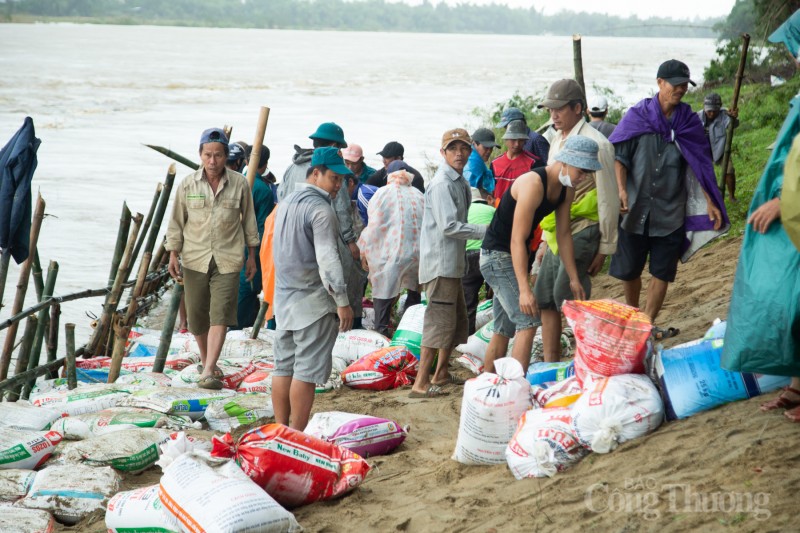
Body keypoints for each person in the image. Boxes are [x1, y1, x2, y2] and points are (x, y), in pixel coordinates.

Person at [608, 59, 727, 337]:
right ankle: (634, 314)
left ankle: (645, 324)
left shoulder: (689, 122)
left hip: (671, 212)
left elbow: (700, 164)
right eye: (676, 84)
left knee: (663, 272)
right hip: (635, 209)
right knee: (629, 270)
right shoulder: (637, 116)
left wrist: (710, 199)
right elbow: (619, 157)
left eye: (685, 84)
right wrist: (622, 189)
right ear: (660, 82)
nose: (681, 89)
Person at [481, 136, 599, 373]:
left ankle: (487, 385)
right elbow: (517, 238)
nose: (584, 176)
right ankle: (516, 388)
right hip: (497, 255)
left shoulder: (566, 189)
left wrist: (574, 277)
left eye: (588, 172)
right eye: (582, 170)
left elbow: (564, 233)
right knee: (528, 321)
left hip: (514, 257)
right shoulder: (533, 183)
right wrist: (524, 288)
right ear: (566, 162)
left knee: (503, 328)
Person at [165, 127, 259, 389]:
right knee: (196, 317)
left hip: (228, 259)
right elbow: (176, 222)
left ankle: (207, 370)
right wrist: (173, 253)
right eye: (208, 155)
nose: (213, 161)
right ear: (200, 154)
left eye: (218, 155)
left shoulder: (239, 184)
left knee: (221, 314)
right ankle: (209, 362)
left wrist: (252, 256)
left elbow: (249, 221)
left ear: (226, 155)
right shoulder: (187, 184)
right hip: (195, 258)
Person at [534, 79, 618, 362]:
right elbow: (553, 195)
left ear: (578, 108)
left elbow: (608, 197)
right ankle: (552, 364)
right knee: (544, 298)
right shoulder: (555, 139)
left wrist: (604, 247)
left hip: (584, 230)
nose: (553, 116)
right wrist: (546, 240)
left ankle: (590, 359)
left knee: (569, 297)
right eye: (550, 110)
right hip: (558, 232)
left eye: (559, 109)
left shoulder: (598, 144)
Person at [271, 147, 354, 430]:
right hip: (312, 302)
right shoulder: (320, 210)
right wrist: (342, 300)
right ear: (315, 173)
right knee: (304, 372)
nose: (338, 185)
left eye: (342, 179)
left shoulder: (286, 202)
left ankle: (281, 427)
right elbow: (328, 260)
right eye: (334, 178)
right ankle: (296, 432)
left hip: (284, 299)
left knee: (283, 367)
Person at [410, 128, 486, 398]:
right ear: (443, 153)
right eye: (453, 148)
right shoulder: (442, 183)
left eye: (464, 148)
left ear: (470, 151)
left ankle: (440, 373)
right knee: (438, 324)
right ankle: (420, 384)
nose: (459, 153)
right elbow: (449, 227)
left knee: (455, 323)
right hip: (440, 266)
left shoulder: (460, 181)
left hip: (453, 264)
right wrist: (486, 232)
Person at [278, 122, 364, 329]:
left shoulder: (292, 168)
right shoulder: (331, 175)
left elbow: (280, 197)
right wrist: (350, 241)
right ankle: (343, 326)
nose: (336, 183)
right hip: (322, 238)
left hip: (290, 251)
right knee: (341, 281)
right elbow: (342, 208)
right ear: (334, 146)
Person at [358, 164, 424, 337]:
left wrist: (364, 251)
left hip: (393, 253)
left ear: (389, 175)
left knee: (383, 290)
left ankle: (381, 331)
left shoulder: (382, 193)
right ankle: (410, 331)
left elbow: (374, 226)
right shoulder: (419, 194)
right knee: (414, 293)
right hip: (418, 254)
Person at [237, 144, 275, 329]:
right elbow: (263, 228)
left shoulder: (236, 182)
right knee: (248, 290)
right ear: (266, 163)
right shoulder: (263, 190)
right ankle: (239, 329)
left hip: (232, 248)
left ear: (245, 160)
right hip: (251, 251)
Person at [463, 187, 495, 335]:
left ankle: (467, 337)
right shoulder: (493, 211)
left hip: (468, 256)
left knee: (468, 301)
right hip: (491, 255)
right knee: (498, 297)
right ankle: (494, 334)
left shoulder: (462, 212)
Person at [698, 93, 739, 201]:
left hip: (720, 150)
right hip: (704, 151)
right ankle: (710, 198)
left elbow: (732, 125)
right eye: (709, 111)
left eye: (714, 111)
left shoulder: (725, 114)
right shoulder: (697, 117)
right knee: (705, 176)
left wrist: (733, 118)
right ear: (704, 108)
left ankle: (731, 196)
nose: (711, 113)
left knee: (729, 171)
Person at [491, 119, 542, 201]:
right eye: (513, 139)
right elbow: (491, 189)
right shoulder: (495, 163)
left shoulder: (533, 162)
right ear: (506, 140)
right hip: (499, 209)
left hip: (523, 208)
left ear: (525, 141)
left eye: (521, 140)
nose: (517, 144)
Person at [463, 127, 498, 194]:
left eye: (491, 148)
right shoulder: (473, 165)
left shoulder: (473, 157)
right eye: (485, 147)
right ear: (474, 144)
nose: (489, 151)